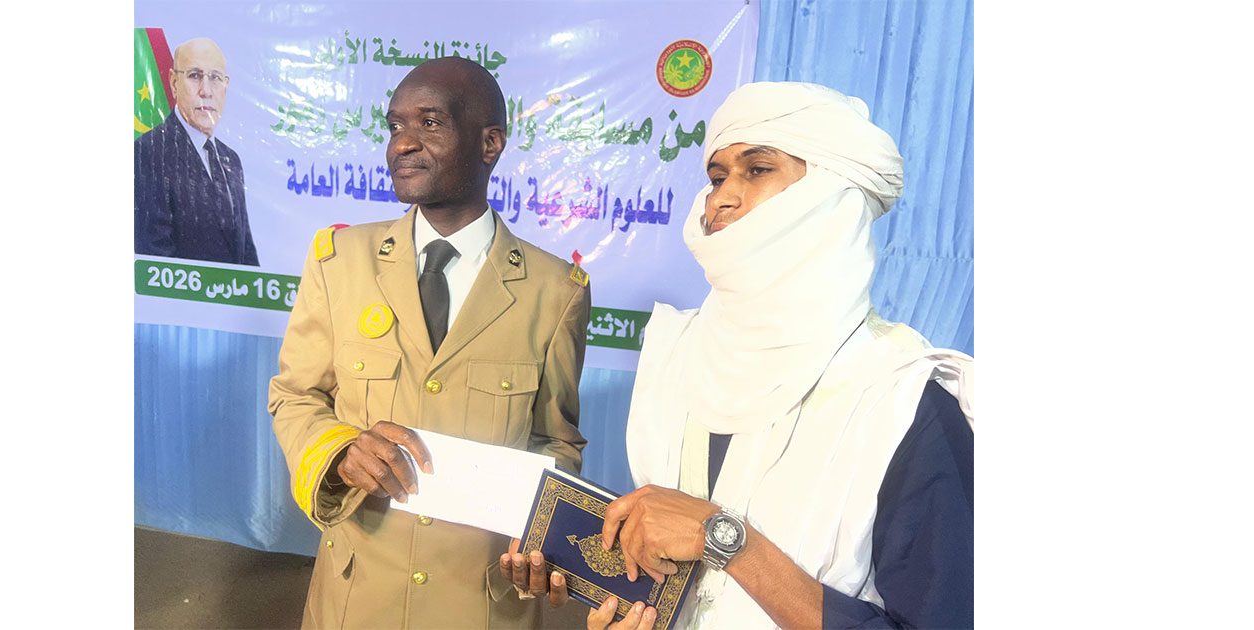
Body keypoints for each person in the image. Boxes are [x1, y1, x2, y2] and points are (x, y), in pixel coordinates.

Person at [502, 82, 974, 629]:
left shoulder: (903, 400)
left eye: (758, 170)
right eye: (717, 177)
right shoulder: (675, 357)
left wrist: (727, 541)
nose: (721, 199)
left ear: (832, 196)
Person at [268, 56, 592, 629]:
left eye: (430, 123)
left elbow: (554, 441)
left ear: (490, 143)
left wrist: (539, 532)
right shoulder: (339, 262)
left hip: (480, 601)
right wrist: (340, 452)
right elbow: (295, 397)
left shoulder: (555, 291)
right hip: (357, 595)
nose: (402, 144)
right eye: (395, 126)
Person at [135, 37, 259, 266]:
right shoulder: (148, 151)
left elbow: (245, 253)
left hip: (231, 289)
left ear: (226, 85)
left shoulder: (231, 160)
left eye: (215, 78)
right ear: (174, 83)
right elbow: (155, 257)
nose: (206, 91)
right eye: (194, 75)